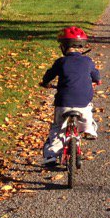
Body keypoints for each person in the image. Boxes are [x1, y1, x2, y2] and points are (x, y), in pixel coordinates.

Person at [40, 26, 101, 166]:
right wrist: (97, 80)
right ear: (82, 46)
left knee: (57, 128)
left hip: (63, 102)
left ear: (63, 46)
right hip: (83, 102)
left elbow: (49, 75)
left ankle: (50, 156)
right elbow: (96, 76)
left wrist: (45, 83)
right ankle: (88, 129)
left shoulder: (61, 62)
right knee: (87, 110)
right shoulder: (88, 61)